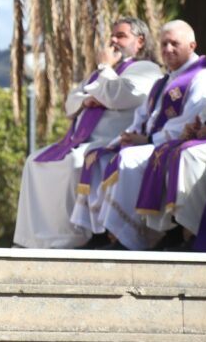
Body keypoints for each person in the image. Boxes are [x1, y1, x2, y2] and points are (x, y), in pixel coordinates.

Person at [14, 17, 160, 249]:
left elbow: (119, 96)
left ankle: (71, 238)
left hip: (112, 142)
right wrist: (87, 100)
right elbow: (71, 101)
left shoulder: (146, 69)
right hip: (80, 140)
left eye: (121, 36)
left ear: (140, 41)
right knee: (34, 161)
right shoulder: (101, 73)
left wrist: (104, 69)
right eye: (112, 35)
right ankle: (34, 239)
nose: (113, 40)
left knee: (74, 163)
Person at [97, 20, 206, 250]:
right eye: (164, 44)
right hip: (154, 143)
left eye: (175, 43)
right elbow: (142, 117)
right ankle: (110, 235)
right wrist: (128, 137)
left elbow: (187, 123)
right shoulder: (162, 81)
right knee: (105, 157)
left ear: (192, 45)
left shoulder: (205, 78)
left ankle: (133, 239)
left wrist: (146, 141)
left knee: (130, 159)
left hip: (181, 145)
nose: (167, 49)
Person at [140, 72, 206, 250]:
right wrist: (198, 124)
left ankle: (195, 232)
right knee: (168, 152)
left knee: (190, 155)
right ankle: (174, 232)